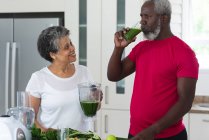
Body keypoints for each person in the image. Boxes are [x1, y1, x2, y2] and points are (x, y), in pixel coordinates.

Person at [107, 0, 199, 140]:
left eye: (147, 16)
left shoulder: (184, 53)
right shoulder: (142, 48)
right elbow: (114, 75)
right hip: (137, 134)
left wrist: (154, 130)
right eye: (141, 16)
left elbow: (185, 102)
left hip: (169, 136)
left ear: (164, 18)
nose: (142, 21)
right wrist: (118, 48)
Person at [26, 26, 101, 132]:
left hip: (83, 137)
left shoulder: (84, 72)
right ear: (53, 54)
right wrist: (49, 133)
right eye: (66, 47)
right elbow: (29, 119)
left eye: (71, 43)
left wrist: (96, 99)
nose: (72, 48)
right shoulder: (38, 79)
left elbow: (93, 110)